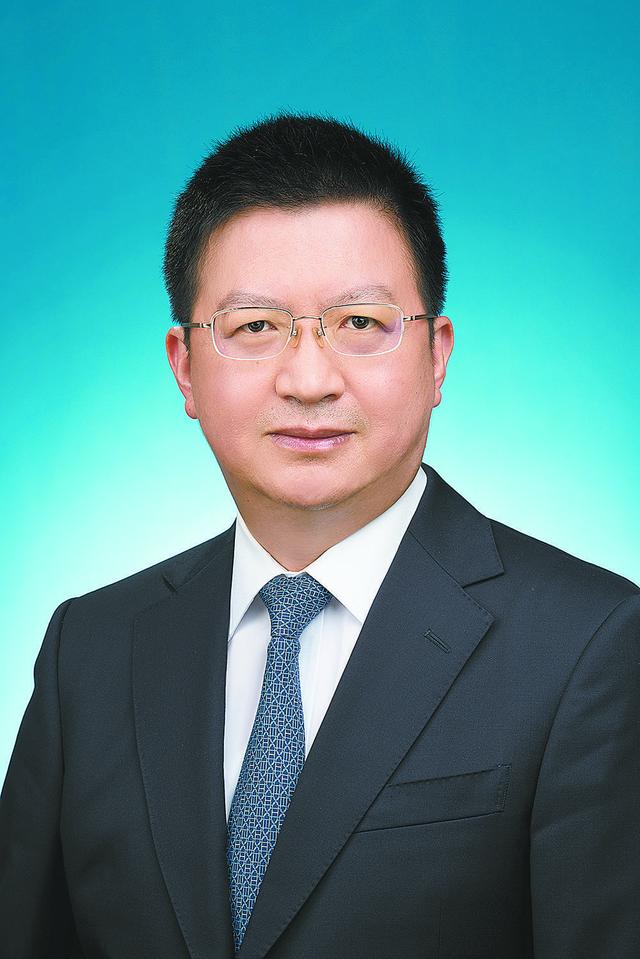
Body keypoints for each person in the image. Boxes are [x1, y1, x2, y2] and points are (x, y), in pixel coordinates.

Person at [1, 114, 638, 959]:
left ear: (437, 355)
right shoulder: (89, 648)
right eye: (256, 327)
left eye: (361, 323)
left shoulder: (590, 643)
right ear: (185, 367)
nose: (309, 379)